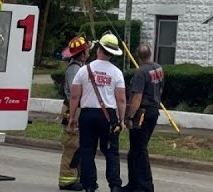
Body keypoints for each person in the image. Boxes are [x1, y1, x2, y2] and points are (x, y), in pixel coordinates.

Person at [69, 33, 126, 192]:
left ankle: (89, 185)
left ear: (99, 49)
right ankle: (115, 185)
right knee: (111, 152)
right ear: (112, 53)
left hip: (87, 115)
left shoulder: (83, 70)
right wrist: (121, 120)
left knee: (87, 151)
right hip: (109, 115)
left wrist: (72, 117)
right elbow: (121, 100)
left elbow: (75, 96)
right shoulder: (116, 73)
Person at [123, 43, 164, 192]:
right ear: (150, 54)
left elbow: (137, 98)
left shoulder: (140, 72)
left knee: (139, 150)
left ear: (138, 56)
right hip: (153, 110)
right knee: (134, 150)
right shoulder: (158, 68)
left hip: (142, 114)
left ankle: (145, 186)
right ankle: (133, 184)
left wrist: (129, 117)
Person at [57, 35, 90, 190]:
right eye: (87, 50)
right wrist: (75, 115)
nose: (89, 52)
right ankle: (66, 180)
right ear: (82, 54)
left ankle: (74, 177)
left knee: (77, 145)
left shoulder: (79, 67)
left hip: (76, 109)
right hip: (72, 109)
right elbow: (74, 94)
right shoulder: (74, 70)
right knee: (71, 144)